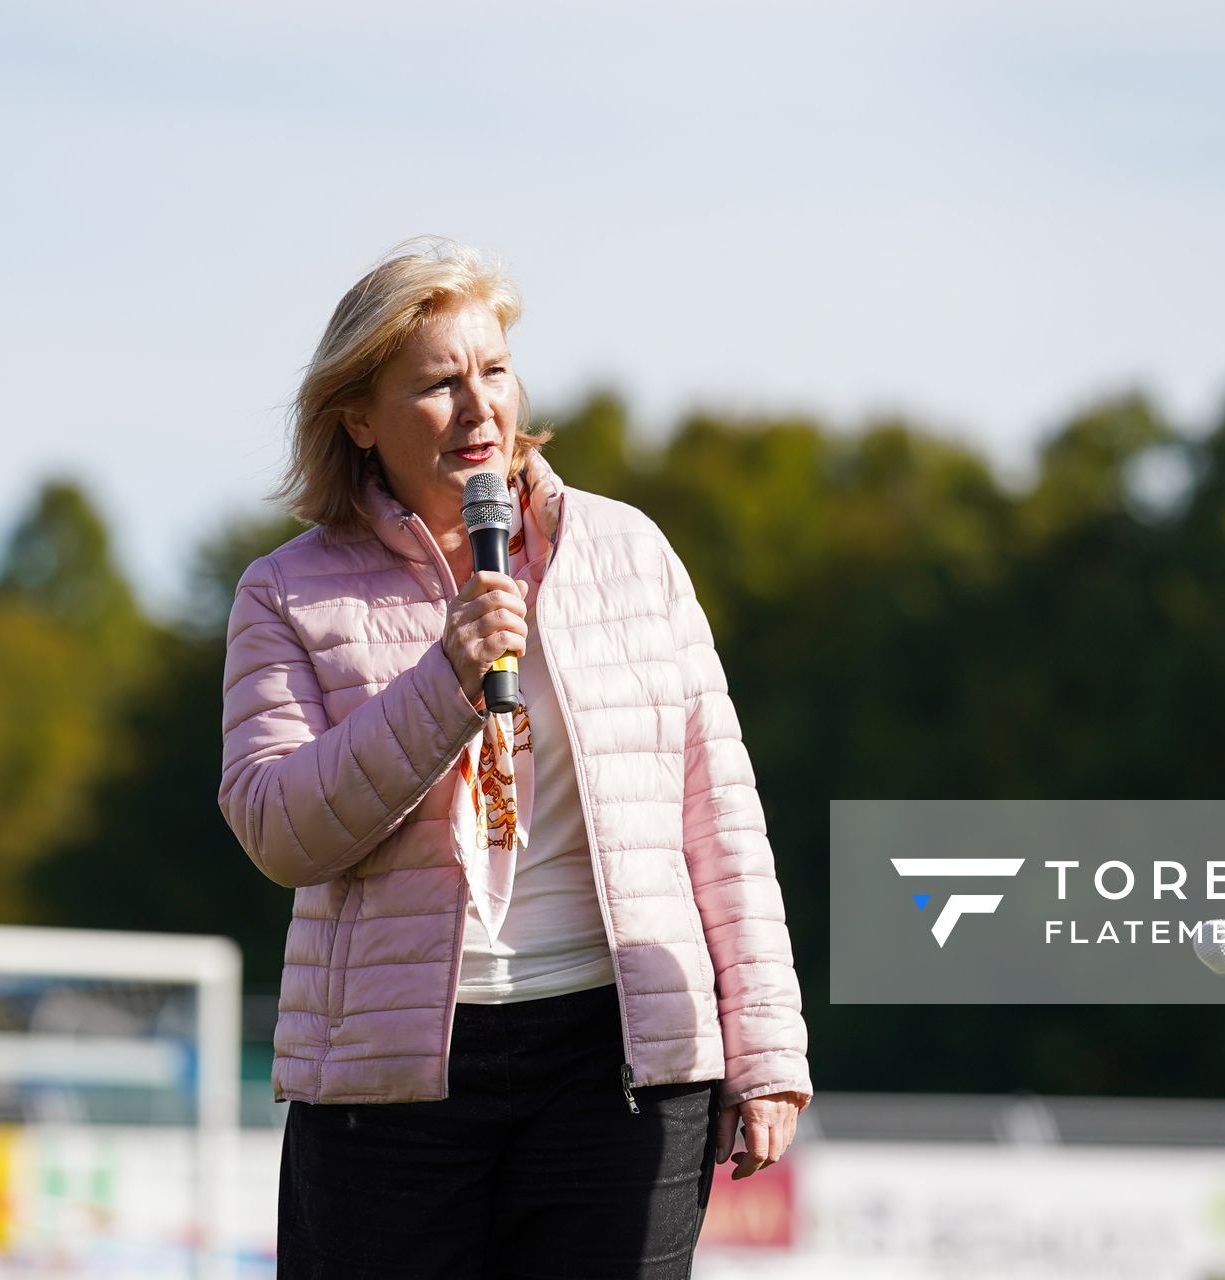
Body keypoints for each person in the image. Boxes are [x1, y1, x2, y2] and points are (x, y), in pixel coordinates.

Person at [218, 236, 811, 1278]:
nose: (478, 406)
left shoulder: (630, 552)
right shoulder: (286, 592)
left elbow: (719, 811)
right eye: (438, 383)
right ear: (359, 417)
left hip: (619, 1062)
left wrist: (764, 1050)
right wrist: (447, 677)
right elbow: (277, 826)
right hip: (389, 1082)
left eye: (492, 369)